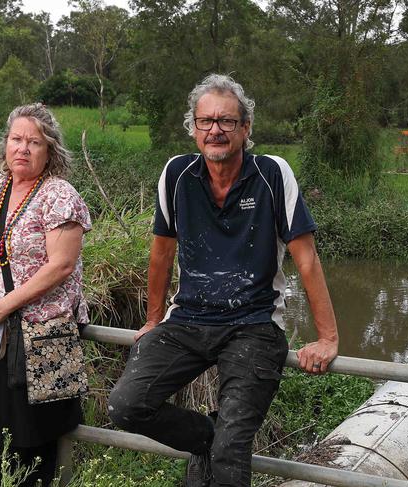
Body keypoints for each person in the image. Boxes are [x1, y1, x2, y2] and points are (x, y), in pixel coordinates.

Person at [108, 74, 339, 487]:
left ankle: (220, 443)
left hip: (254, 325)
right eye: (205, 121)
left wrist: (328, 337)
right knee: (127, 405)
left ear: (245, 128)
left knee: (233, 448)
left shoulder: (272, 173)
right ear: (193, 128)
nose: (215, 130)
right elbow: (162, 253)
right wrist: (152, 319)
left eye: (227, 121)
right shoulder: (176, 174)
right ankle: (205, 438)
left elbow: (307, 260)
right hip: (188, 320)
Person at [0, 103, 91, 487]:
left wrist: (2, 306)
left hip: (38, 343)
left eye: (33, 142)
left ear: (49, 150)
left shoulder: (59, 194)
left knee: (28, 450)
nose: (22, 148)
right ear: (5, 144)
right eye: (16, 139)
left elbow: (61, 265)